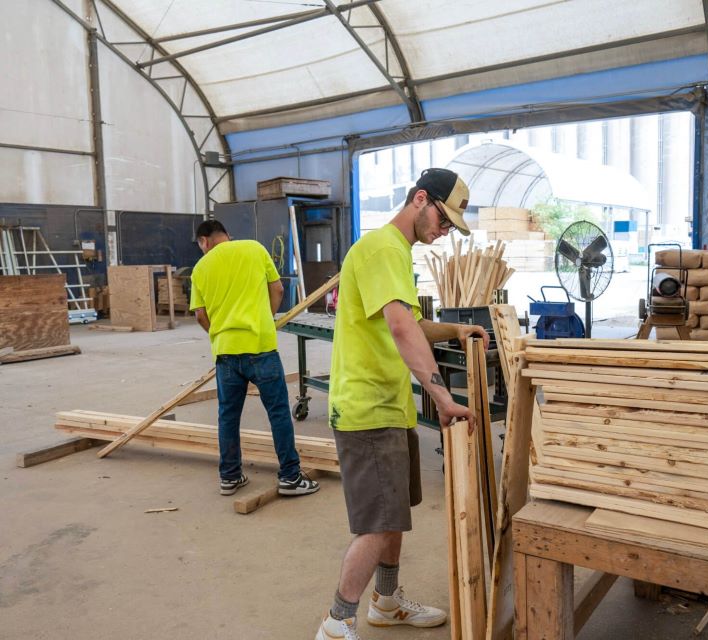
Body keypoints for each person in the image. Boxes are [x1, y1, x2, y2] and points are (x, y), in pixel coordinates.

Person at [316, 168, 490, 640]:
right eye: (443, 219)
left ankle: (387, 602)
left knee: (394, 514)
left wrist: (456, 330)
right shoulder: (381, 249)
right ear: (419, 199)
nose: (444, 231)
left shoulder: (395, 253)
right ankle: (336, 621)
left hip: (389, 406)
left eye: (452, 225)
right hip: (367, 410)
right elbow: (400, 329)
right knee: (376, 524)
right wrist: (442, 398)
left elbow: (408, 320)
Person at [190, 219, 319, 497]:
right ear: (226, 234)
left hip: (226, 352)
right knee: (278, 413)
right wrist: (266, 321)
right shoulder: (254, 249)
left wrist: (220, 334)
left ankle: (230, 477)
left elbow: (200, 315)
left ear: (204, 241)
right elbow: (279, 290)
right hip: (261, 347)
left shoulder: (200, 268)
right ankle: (290, 477)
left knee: (228, 416)